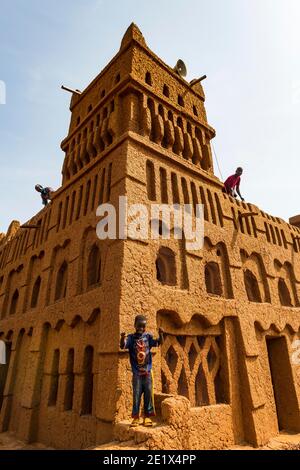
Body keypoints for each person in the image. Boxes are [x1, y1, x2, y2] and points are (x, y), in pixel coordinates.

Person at [120, 315, 164, 428]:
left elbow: (158, 343)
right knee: (136, 395)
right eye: (139, 326)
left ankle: (147, 416)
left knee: (148, 394)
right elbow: (122, 346)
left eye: (143, 326)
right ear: (135, 325)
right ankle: (135, 417)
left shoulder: (148, 337)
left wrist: (161, 334)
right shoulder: (131, 338)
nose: (141, 328)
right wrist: (122, 337)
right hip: (137, 373)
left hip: (148, 372)